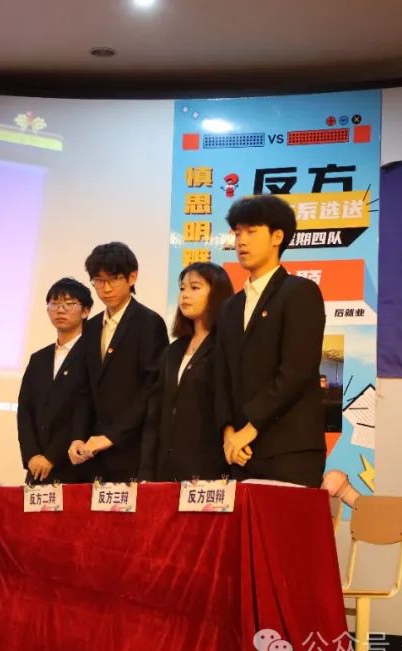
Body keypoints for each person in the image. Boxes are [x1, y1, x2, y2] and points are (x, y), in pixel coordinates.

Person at [213, 195, 328, 487]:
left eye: (251, 232)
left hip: (289, 450)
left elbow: (296, 371)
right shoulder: (230, 307)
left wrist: (250, 428)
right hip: (239, 453)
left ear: (277, 237)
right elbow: (221, 376)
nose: (241, 241)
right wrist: (229, 432)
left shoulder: (299, 292)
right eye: (237, 233)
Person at [70, 242, 168, 482]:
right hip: (93, 453)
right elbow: (84, 389)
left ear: (132, 277)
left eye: (114, 279)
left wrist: (112, 436)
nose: (106, 288)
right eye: (98, 280)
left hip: (132, 449)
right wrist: (77, 437)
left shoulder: (149, 323)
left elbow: (152, 389)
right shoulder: (91, 327)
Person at [139, 262, 233, 482]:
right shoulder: (172, 351)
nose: (185, 295)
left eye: (195, 287)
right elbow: (155, 415)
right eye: (182, 288)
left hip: (209, 471)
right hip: (166, 472)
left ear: (217, 293)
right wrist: (146, 472)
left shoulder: (226, 345)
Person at [16, 278, 94, 484]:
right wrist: (32, 455)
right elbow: (25, 410)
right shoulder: (39, 359)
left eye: (69, 304)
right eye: (55, 303)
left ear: (86, 311)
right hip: (37, 469)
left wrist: (51, 456)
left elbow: (85, 410)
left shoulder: (93, 355)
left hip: (75, 466)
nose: (60, 309)